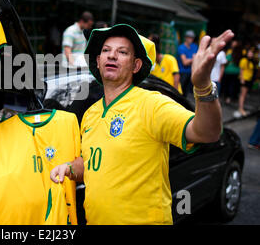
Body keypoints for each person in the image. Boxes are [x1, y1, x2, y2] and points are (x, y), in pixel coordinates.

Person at [50, 23, 234, 225]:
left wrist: (203, 86)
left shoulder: (152, 104)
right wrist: (68, 168)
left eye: (122, 52)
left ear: (136, 66)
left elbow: (207, 132)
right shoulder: (91, 114)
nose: (111, 56)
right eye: (106, 50)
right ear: (98, 60)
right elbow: (92, 164)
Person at [177, 30, 198, 97]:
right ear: (186, 38)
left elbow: (197, 58)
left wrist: (191, 60)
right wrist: (193, 59)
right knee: (180, 91)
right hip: (182, 72)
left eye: (192, 38)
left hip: (191, 72)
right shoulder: (181, 47)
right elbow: (185, 62)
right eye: (189, 37)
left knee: (187, 92)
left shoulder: (194, 46)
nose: (191, 39)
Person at [236, 47, 256, 117]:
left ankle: (241, 108)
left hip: (249, 80)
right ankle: (240, 109)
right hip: (244, 79)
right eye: (249, 53)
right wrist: (242, 79)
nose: (251, 54)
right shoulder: (244, 60)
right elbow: (241, 70)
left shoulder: (252, 61)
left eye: (252, 53)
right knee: (242, 95)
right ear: (246, 53)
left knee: (244, 94)